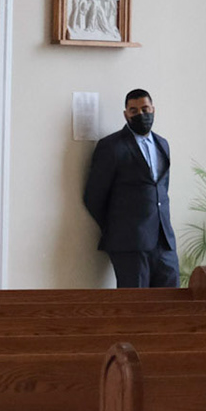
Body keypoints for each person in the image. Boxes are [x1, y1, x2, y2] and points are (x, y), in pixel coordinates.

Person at [82, 87, 177, 288]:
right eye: (134, 111)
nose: (141, 114)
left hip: (164, 242)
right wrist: (120, 228)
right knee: (136, 303)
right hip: (130, 244)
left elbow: (162, 188)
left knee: (172, 301)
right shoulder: (111, 146)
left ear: (153, 110)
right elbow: (93, 196)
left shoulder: (162, 144)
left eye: (145, 109)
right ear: (126, 114)